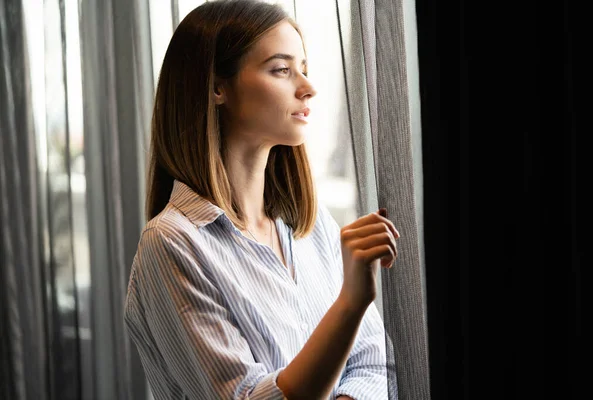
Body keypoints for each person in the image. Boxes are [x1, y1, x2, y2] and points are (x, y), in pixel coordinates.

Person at [124, 1, 400, 399]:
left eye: (303, 68)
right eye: (281, 69)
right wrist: (351, 302)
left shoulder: (312, 225)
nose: (308, 86)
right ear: (217, 87)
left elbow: (377, 364)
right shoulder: (172, 243)